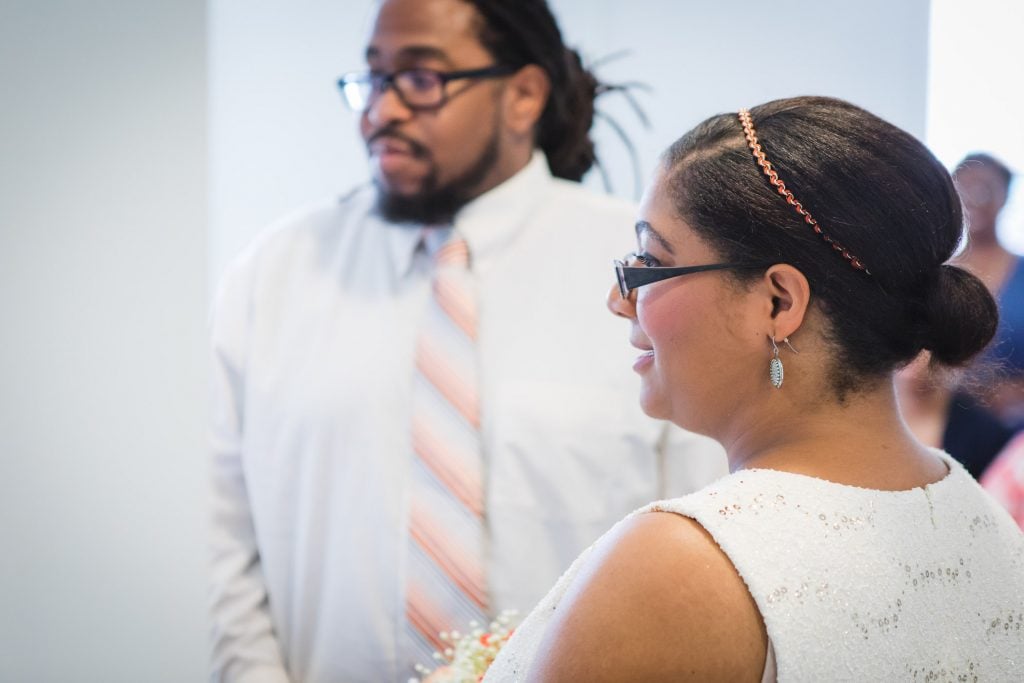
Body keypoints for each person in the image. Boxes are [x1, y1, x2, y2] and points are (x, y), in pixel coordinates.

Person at [207, 1, 725, 681]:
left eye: (421, 80)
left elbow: (706, 525)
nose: (379, 113)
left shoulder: (645, 273)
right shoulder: (275, 274)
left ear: (523, 95)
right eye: (373, 80)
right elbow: (222, 540)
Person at [484, 96, 1024, 682]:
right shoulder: (977, 514)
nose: (620, 300)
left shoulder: (681, 565)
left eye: (650, 262)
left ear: (778, 303)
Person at [954, 153, 1024, 423]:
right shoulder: (935, 274)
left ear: (1005, 195)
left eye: (985, 188)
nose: (974, 197)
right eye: (964, 187)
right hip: (949, 426)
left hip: (1013, 429)